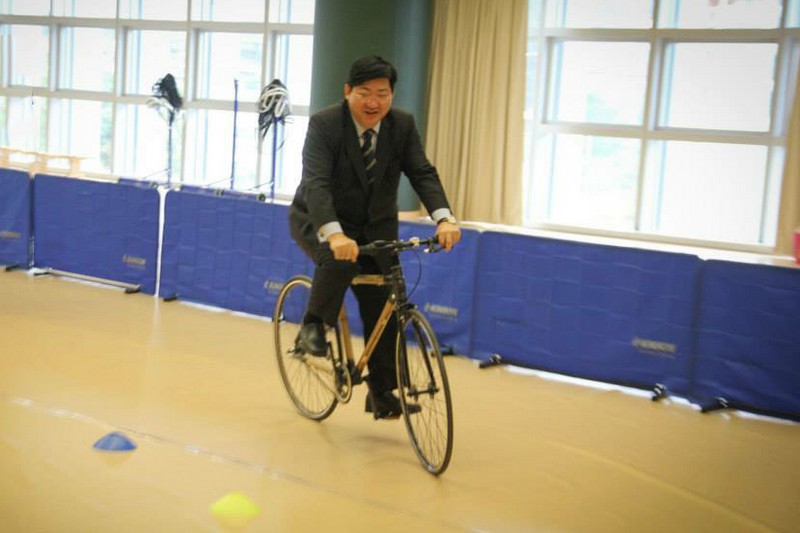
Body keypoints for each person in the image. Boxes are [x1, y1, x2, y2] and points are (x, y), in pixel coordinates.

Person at [288, 55, 461, 419]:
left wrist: (444, 218)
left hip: (377, 227)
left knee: (384, 303)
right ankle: (313, 326)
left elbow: (422, 173)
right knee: (338, 258)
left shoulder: (401, 125)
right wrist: (334, 234)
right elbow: (317, 184)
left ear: (391, 96)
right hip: (319, 217)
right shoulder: (325, 125)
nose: (373, 103)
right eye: (364, 93)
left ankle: (382, 393)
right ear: (348, 92)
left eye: (382, 94)